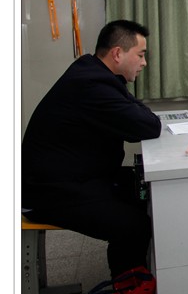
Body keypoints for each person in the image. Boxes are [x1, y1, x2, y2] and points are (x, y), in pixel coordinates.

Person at [22, 20, 162, 278]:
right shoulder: (92, 85)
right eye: (140, 55)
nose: (144, 63)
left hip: (75, 175)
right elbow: (149, 125)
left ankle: (146, 272)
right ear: (117, 53)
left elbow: (141, 115)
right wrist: (138, 110)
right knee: (134, 225)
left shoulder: (94, 72)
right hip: (50, 190)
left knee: (144, 189)